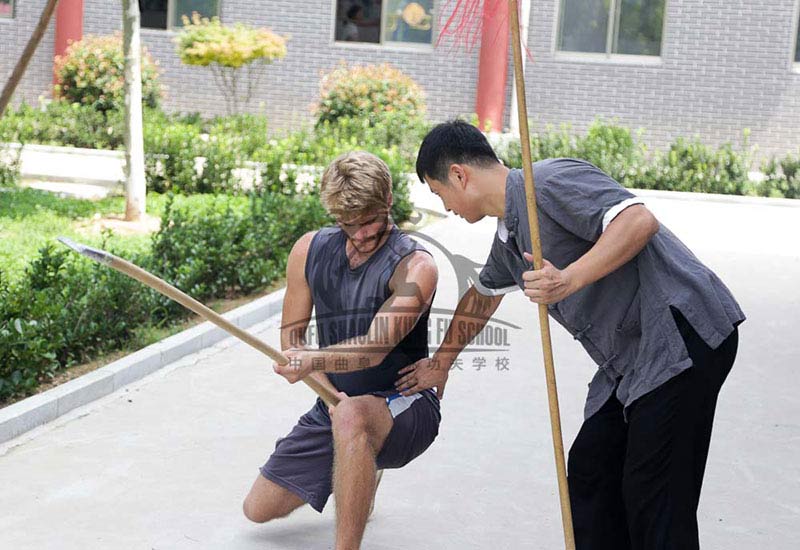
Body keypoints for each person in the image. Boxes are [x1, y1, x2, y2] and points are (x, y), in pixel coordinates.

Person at [396, 120, 745, 550]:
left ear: (459, 175)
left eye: (437, 193)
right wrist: (440, 364)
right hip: (632, 361)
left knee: (654, 494)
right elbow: (482, 297)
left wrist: (569, 279)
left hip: (679, 334)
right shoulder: (510, 236)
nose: (444, 205)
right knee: (591, 471)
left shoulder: (548, 180)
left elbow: (638, 221)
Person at [242, 151, 440, 550]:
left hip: (403, 405)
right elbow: (291, 341)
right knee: (257, 508)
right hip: (334, 402)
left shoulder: (416, 266)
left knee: (352, 417)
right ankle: (360, 462)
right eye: (348, 225)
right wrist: (323, 388)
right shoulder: (309, 250)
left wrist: (312, 361)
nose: (362, 234)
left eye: (369, 221)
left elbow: (374, 348)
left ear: (388, 202)